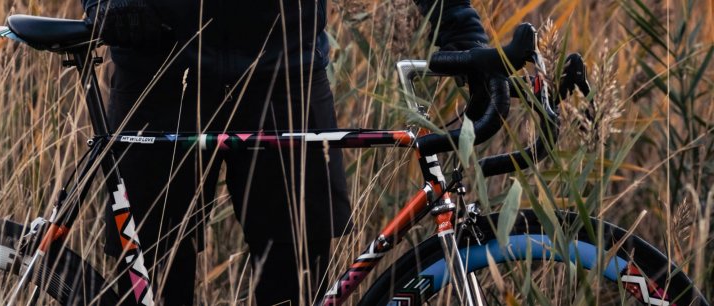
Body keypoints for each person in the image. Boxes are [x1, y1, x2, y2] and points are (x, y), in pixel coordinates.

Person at [81, 0, 489, 304]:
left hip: (287, 77)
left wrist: (459, 26)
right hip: (158, 75)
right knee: (151, 283)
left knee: (295, 288)